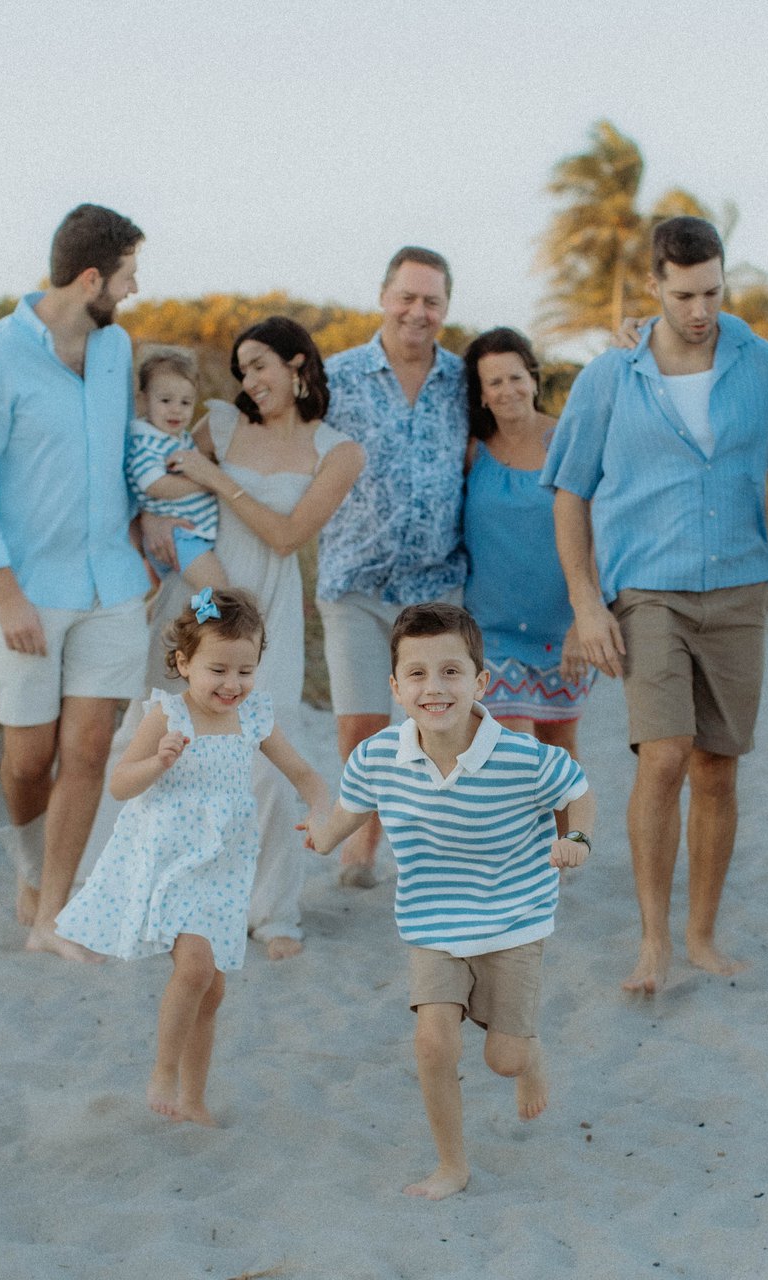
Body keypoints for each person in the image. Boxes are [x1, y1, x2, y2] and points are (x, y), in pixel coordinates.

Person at [546, 215, 768, 996]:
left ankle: (702, 935)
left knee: (717, 769)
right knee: (666, 755)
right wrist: (585, 603)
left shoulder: (764, 366)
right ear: (654, 287)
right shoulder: (610, 378)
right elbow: (569, 492)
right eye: (683, 295)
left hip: (739, 586)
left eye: (712, 291)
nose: (700, 310)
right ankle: (653, 941)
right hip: (647, 591)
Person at [302, 603, 596, 1200]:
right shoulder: (378, 756)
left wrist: (578, 839)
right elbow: (350, 810)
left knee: (504, 1059)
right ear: (395, 687)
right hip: (432, 922)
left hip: (514, 918)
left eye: (451, 672)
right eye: (417, 674)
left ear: (480, 682)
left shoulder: (520, 756)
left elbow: (577, 789)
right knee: (433, 1042)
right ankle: (452, 1165)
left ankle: (528, 1052)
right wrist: (323, 836)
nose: (434, 688)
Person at [0, 202, 150, 960]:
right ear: (91, 278)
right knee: (30, 759)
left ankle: (55, 914)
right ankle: (31, 873)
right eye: (128, 275)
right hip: (28, 590)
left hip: (113, 584)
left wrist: (150, 522)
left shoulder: (115, 349)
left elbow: (123, 450)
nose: (134, 290)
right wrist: (4, 592)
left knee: (90, 750)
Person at [54, 588, 332, 1123]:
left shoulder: (254, 715)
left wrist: (321, 808)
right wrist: (156, 763)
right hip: (173, 863)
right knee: (196, 967)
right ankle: (163, 1071)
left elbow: (302, 772)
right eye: (218, 670)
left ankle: (194, 1097)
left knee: (212, 990)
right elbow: (119, 783)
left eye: (245, 671)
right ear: (184, 663)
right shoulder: (168, 715)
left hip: (225, 868)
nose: (232, 684)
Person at [159, 317, 365, 959]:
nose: (248, 381)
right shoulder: (220, 424)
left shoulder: (338, 451)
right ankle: (185, 901)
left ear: (297, 364)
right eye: (242, 370)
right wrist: (158, 528)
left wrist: (219, 478)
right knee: (184, 753)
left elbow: (286, 535)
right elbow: (159, 485)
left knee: (269, 760)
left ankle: (273, 912)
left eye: (259, 365)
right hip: (204, 598)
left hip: (269, 613)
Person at [316, 247, 469, 888]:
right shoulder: (335, 377)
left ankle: (429, 848)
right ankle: (362, 844)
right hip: (354, 580)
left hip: (435, 585)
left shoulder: (464, 382)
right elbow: (272, 435)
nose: (417, 311)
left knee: (435, 723)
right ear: (384, 297)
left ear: (446, 307)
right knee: (362, 726)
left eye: (432, 301)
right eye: (407, 297)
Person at [461, 327, 593, 753]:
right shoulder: (472, 451)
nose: (508, 390)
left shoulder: (569, 441)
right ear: (482, 395)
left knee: (560, 749)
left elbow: (596, 534)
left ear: (534, 380)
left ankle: (571, 810)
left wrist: (583, 621)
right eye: (494, 382)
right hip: (490, 631)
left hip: (561, 627)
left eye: (516, 377)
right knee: (512, 750)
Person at [126, 345, 227, 590]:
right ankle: (211, 614)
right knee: (218, 591)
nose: (176, 409)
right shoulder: (144, 441)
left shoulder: (178, 438)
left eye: (185, 402)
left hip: (194, 533)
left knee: (186, 596)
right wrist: (207, 483)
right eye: (165, 400)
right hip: (180, 537)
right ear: (143, 400)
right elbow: (156, 486)